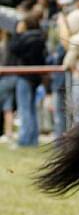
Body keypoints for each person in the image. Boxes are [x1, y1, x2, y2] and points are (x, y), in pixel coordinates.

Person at [10, 12, 46, 147]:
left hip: (25, 76)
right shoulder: (40, 37)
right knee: (32, 109)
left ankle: (24, 140)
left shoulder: (26, 38)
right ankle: (33, 139)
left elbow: (14, 48)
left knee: (24, 109)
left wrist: (17, 33)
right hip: (36, 77)